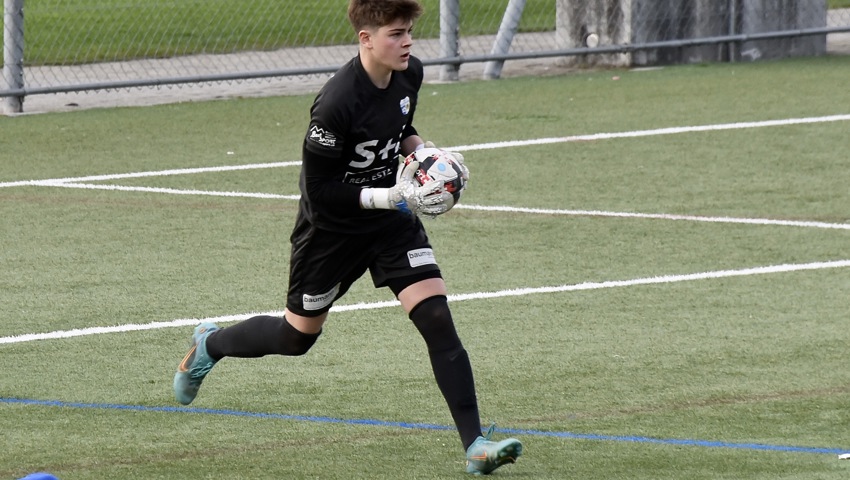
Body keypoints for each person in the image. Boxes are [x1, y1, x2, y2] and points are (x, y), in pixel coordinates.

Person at [172, 0, 522, 475]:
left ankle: (475, 445)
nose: (408, 42)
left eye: (408, 32)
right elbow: (318, 194)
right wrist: (390, 196)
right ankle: (211, 345)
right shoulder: (336, 103)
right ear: (366, 40)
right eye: (396, 34)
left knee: (437, 317)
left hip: (391, 225)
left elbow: (401, 129)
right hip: (331, 233)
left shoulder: (409, 74)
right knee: (296, 338)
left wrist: (428, 156)